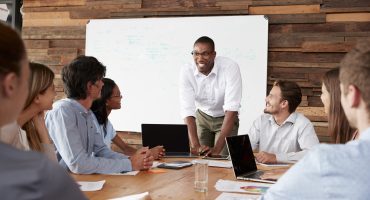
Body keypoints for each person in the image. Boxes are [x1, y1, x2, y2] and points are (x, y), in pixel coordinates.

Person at [262, 40, 370, 199]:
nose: (321, 98)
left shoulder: (328, 161)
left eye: (324, 93)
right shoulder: (261, 121)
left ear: (352, 95)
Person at [0, 22, 85, 199]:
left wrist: (41, 126)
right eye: (51, 88)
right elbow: (49, 178)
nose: (56, 93)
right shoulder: (9, 136)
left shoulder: (23, 131)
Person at [45, 56, 153, 174]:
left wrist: (133, 160)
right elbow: (78, 164)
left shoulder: (87, 113)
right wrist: (129, 164)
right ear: (89, 86)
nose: (102, 84)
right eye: (100, 79)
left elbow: (101, 151)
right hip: (58, 184)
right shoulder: (62, 112)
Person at [179, 36, 242, 156]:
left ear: (214, 55)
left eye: (205, 54)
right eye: (196, 54)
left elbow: (232, 109)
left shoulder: (230, 67)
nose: (200, 58)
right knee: (201, 159)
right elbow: (187, 110)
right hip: (202, 117)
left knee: (221, 160)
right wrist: (195, 146)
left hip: (226, 118)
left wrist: (217, 150)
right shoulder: (186, 71)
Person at [91, 78, 165, 159]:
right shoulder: (92, 122)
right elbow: (99, 156)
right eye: (117, 95)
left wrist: (148, 153)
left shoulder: (107, 123)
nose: (121, 97)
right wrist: (148, 154)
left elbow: (126, 148)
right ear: (106, 101)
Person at [248, 80, 319, 164]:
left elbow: (314, 154)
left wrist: (276, 157)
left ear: (284, 103)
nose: (266, 99)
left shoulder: (303, 124)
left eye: (271, 96)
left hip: (289, 175)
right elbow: (245, 149)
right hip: (262, 173)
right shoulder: (261, 121)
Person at [0, 63, 57, 162]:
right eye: (52, 89)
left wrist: (42, 129)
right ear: (37, 97)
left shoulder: (26, 130)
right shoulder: (5, 131)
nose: (55, 94)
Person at [321, 67, 358, 143]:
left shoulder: (361, 139)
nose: (321, 97)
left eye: (323, 92)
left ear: (336, 96)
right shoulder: (352, 135)